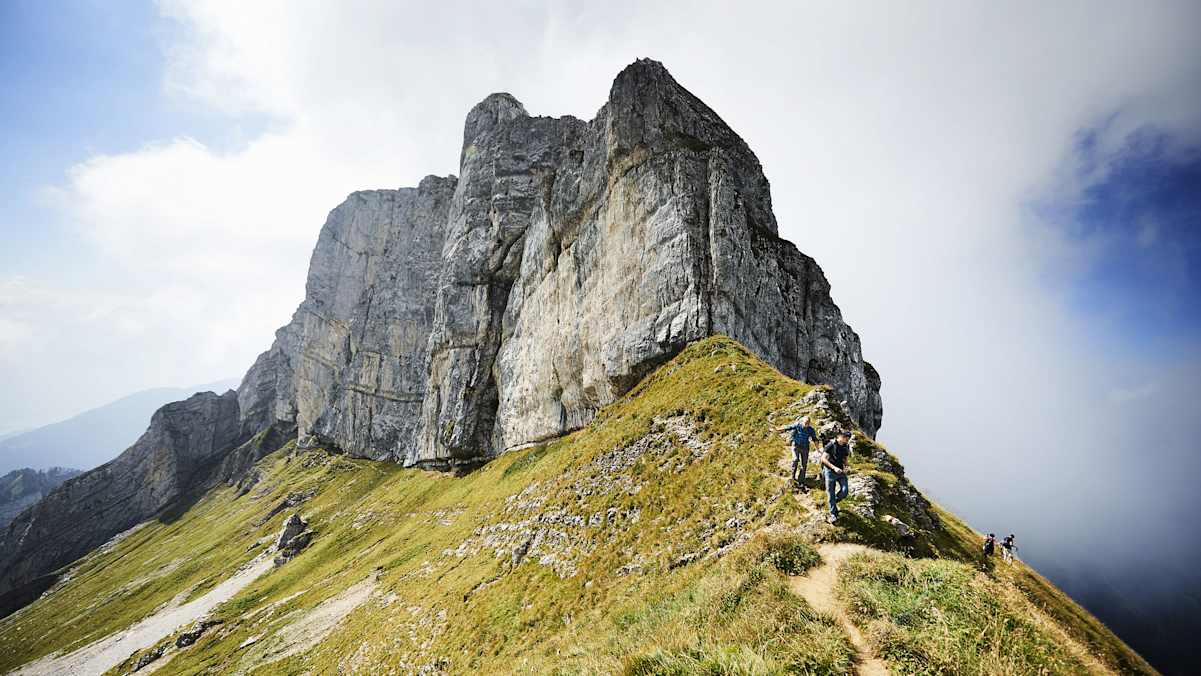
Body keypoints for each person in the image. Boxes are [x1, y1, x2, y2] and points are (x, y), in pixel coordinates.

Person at [775, 416, 818, 488]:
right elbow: (788, 427)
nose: (806, 424)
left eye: (807, 423)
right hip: (796, 445)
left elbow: (815, 439)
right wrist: (778, 429)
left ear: (809, 423)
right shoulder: (798, 425)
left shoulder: (811, 430)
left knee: (804, 464)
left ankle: (801, 480)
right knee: (795, 459)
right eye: (805, 423)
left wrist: (817, 449)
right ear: (802, 422)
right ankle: (792, 477)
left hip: (805, 447)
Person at [820, 429, 852, 522]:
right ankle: (833, 514)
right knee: (831, 492)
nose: (847, 439)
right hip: (830, 471)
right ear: (840, 437)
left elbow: (845, 458)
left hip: (841, 471)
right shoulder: (831, 444)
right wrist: (834, 468)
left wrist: (847, 466)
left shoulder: (846, 446)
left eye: (848, 438)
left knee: (844, 491)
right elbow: (823, 459)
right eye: (845, 437)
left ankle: (833, 502)